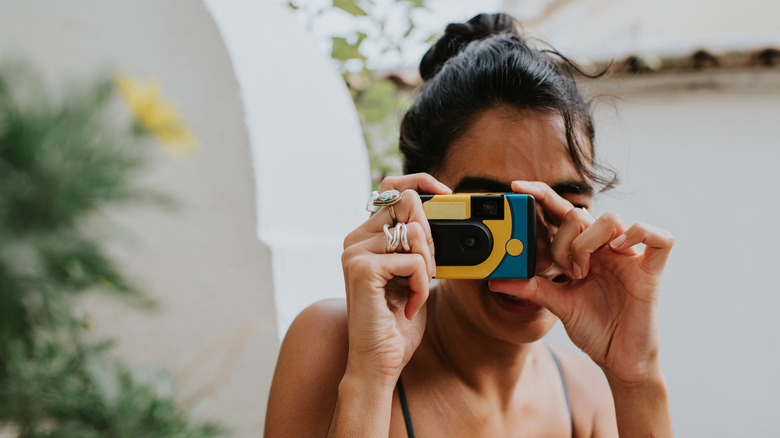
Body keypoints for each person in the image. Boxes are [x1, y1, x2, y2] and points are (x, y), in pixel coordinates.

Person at [265, 12, 674, 438]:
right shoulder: (337, 347)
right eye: (493, 213)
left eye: (562, 207)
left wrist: (638, 379)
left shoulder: (588, 392)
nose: (533, 255)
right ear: (419, 206)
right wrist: (372, 377)